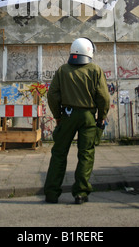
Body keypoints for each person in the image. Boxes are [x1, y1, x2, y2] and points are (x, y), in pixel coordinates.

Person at [44, 37, 110, 204]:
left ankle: (52, 194)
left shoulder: (62, 70)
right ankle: (80, 193)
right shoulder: (95, 70)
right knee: (86, 154)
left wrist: (57, 116)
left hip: (67, 115)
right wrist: (101, 117)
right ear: (89, 52)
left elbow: (52, 95)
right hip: (88, 117)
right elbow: (103, 97)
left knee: (59, 153)